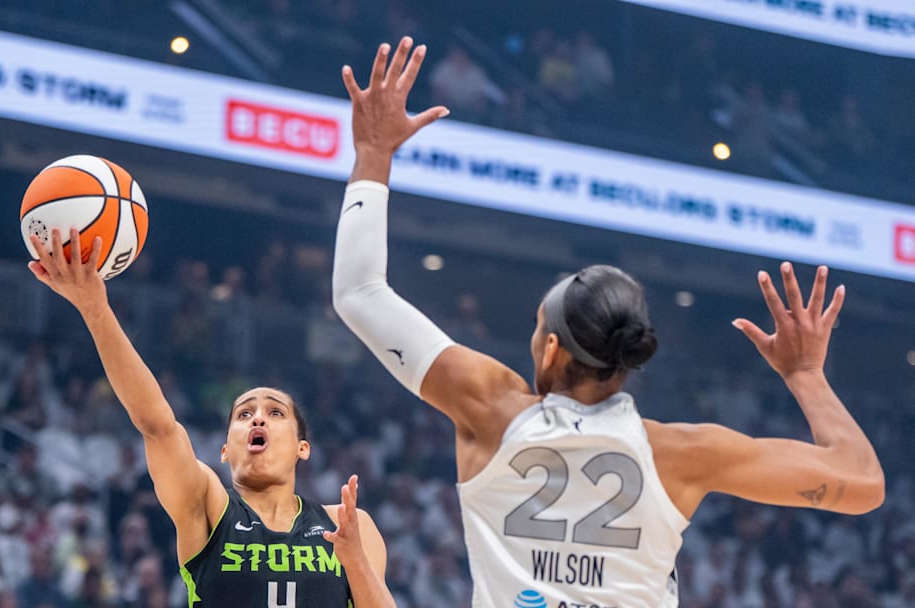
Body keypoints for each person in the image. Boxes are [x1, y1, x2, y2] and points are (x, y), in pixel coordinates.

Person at [332, 37, 885, 608]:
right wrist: (806, 376)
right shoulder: (681, 452)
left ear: (551, 349)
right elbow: (864, 484)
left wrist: (374, 153)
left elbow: (359, 292)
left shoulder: (487, 406)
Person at [26, 230, 394, 607]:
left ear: (303, 448)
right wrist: (95, 310)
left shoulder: (348, 525)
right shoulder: (209, 506)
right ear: (224, 450)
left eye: (275, 412)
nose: (258, 419)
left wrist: (355, 561)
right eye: (244, 414)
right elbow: (157, 425)